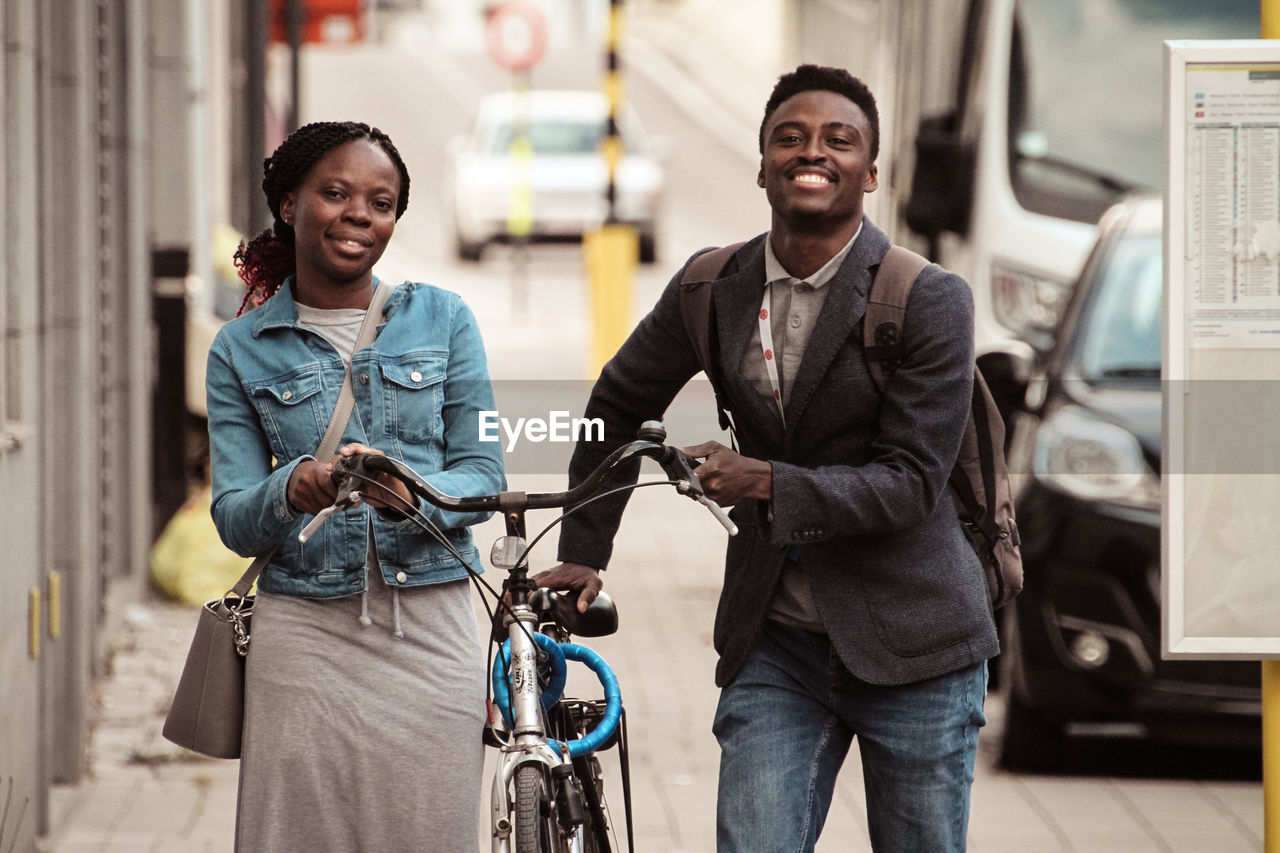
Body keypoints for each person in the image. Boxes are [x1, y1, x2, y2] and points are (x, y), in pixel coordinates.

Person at [537, 66, 998, 851]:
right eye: (789, 137)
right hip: (776, 643)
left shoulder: (927, 298)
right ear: (760, 165)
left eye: (837, 139)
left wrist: (765, 481)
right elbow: (617, 404)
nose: (810, 151)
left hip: (917, 645)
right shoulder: (711, 285)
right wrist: (585, 551)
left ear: (871, 171)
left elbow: (911, 483)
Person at [206, 120, 505, 852]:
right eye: (335, 194)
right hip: (303, 636)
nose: (359, 216)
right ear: (288, 202)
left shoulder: (445, 318)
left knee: (431, 834)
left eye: (381, 202)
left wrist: (416, 491)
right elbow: (234, 517)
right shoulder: (239, 349)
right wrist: (293, 488)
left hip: (430, 626)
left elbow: (484, 474)